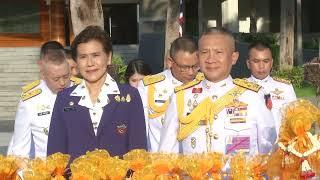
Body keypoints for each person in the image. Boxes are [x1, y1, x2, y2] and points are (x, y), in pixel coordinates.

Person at [158, 27, 276, 156]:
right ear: (197, 57)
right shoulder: (180, 97)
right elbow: (166, 154)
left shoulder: (254, 96)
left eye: (218, 52)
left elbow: (269, 153)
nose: (210, 59)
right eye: (204, 52)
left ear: (234, 57)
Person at [47, 26, 147, 162]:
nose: (90, 63)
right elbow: (55, 153)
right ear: (76, 62)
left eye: (95, 55)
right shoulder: (64, 98)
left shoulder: (130, 96)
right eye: (83, 57)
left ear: (109, 57)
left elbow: (138, 152)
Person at [7, 42, 74, 158]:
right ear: (43, 75)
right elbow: (19, 151)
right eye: (56, 78)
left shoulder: (81, 90)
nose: (62, 82)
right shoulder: (30, 101)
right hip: (45, 170)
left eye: (66, 76)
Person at [137, 36, 199, 152]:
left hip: (195, 165)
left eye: (195, 66)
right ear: (170, 62)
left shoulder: (204, 84)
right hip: (160, 164)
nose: (191, 72)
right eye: (184, 67)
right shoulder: (150, 86)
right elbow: (141, 131)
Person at [246, 41, 296, 135]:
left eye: (266, 61)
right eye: (256, 61)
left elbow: (295, 120)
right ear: (248, 63)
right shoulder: (237, 89)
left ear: (271, 63)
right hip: (250, 147)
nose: (261, 66)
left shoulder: (285, 88)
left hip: (279, 145)